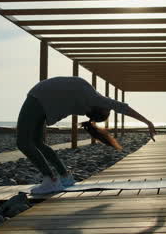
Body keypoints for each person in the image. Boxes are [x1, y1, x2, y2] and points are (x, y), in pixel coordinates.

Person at [16, 76, 156, 194]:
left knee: (23, 142)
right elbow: (121, 107)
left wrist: (147, 121)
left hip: (38, 98)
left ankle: (51, 180)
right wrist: (147, 122)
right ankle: (64, 176)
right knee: (37, 143)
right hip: (43, 99)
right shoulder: (91, 100)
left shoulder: (94, 98)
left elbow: (121, 107)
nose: (108, 105)